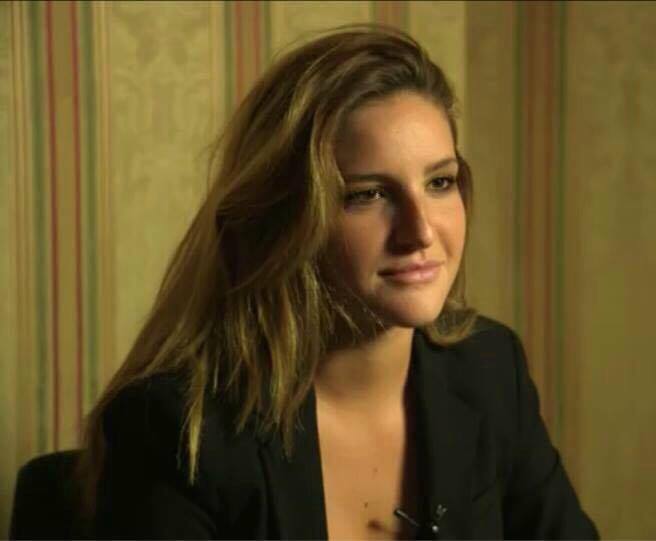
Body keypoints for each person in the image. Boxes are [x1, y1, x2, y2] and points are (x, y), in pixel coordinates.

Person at [76, 25, 598, 540]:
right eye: (368, 195)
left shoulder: (489, 369)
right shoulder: (175, 429)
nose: (420, 232)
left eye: (440, 182)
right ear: (284, 219)